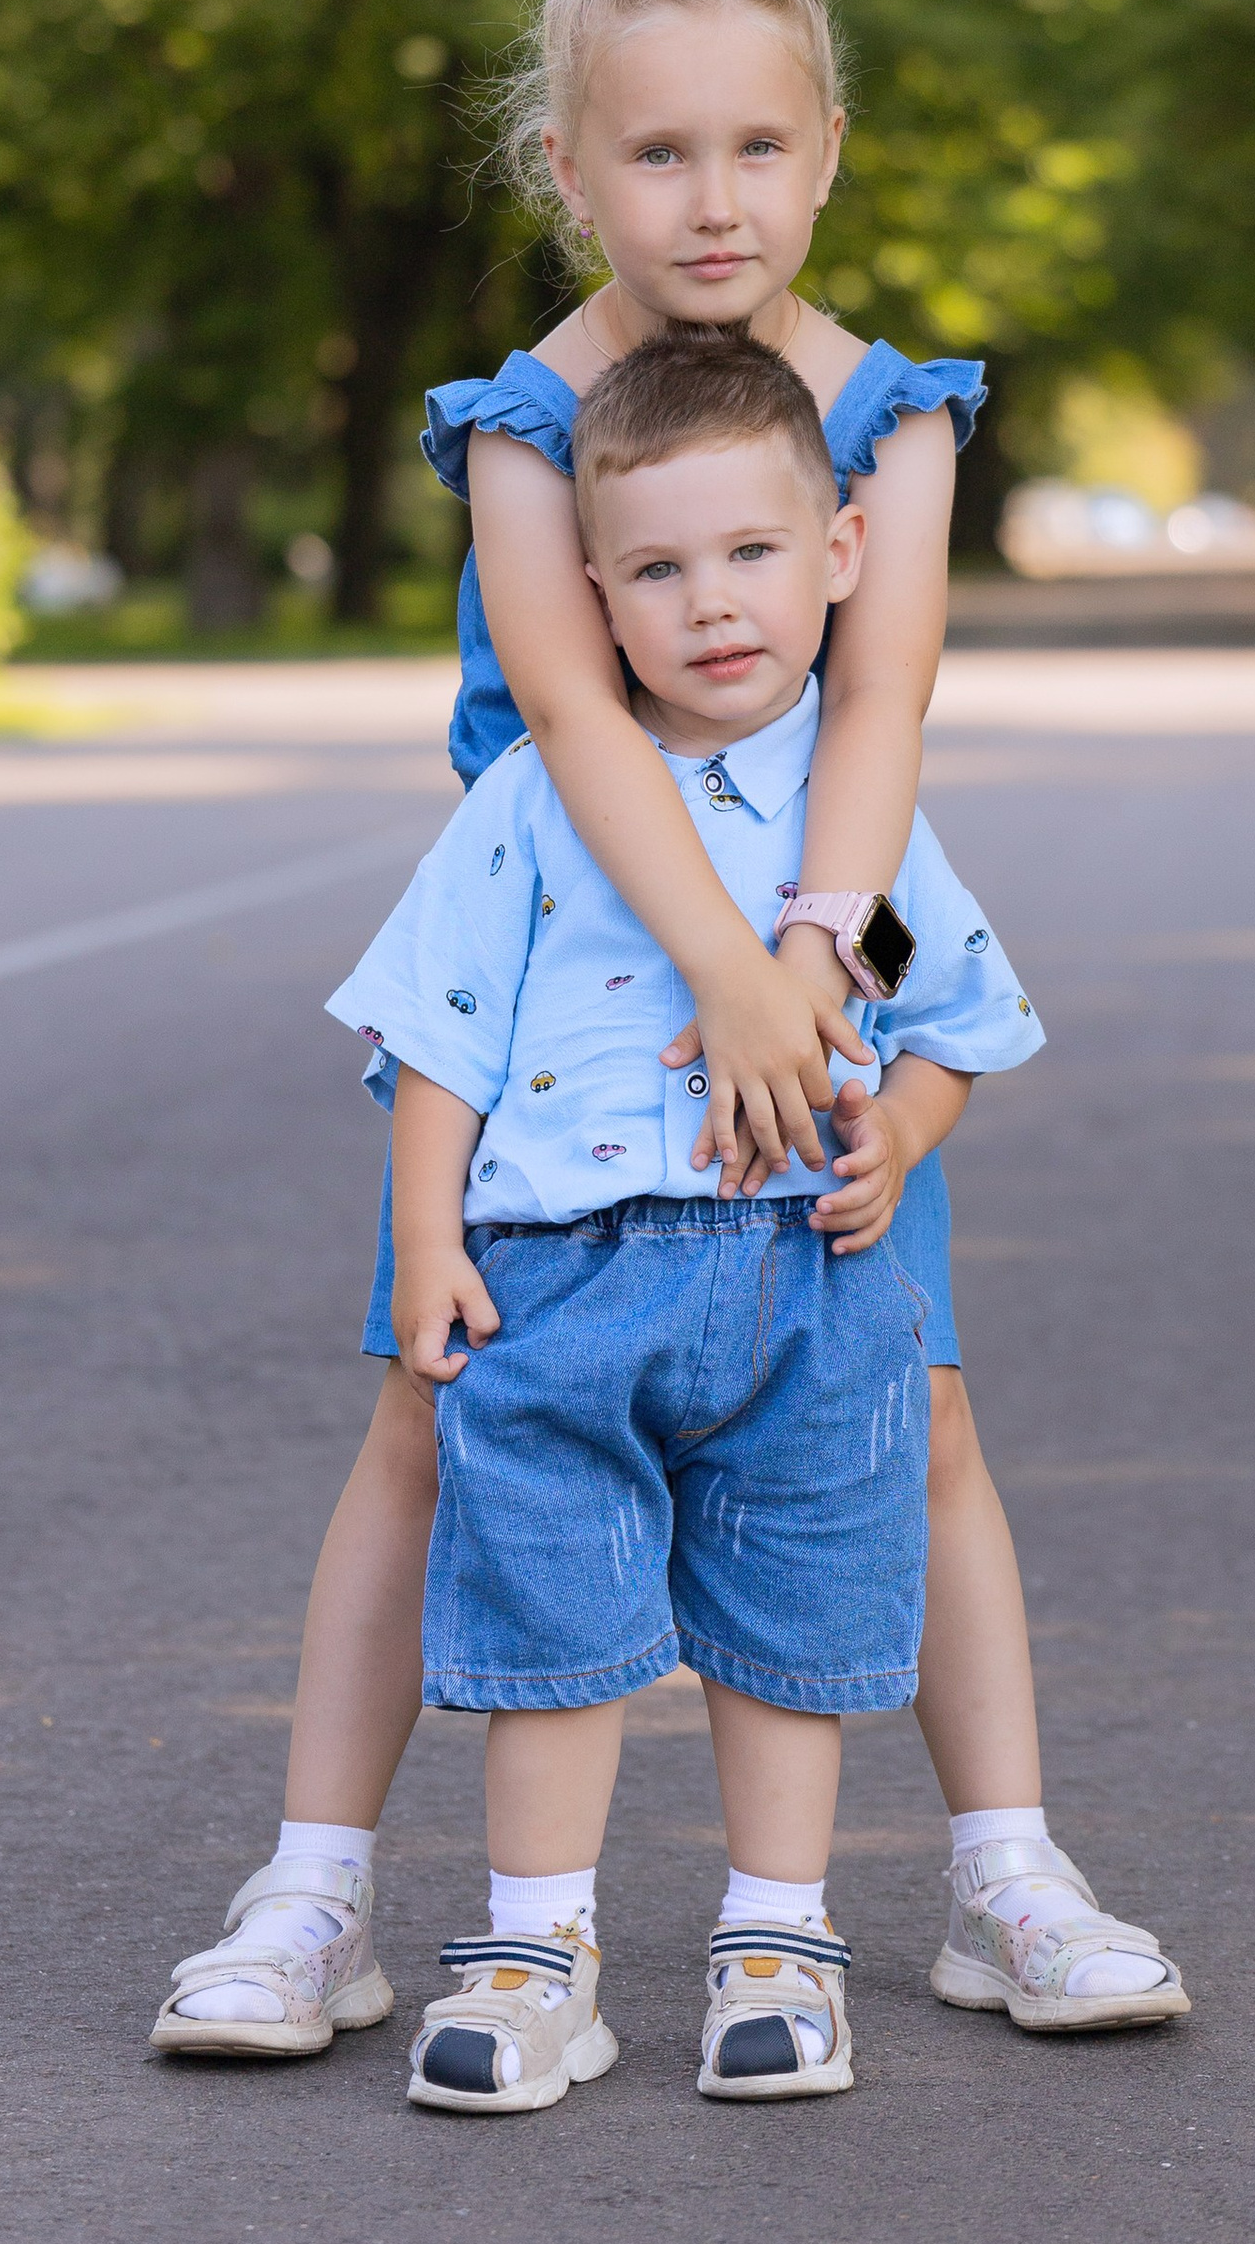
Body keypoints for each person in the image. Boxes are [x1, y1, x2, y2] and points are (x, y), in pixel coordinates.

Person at [150, 0, 1186, 2062]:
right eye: (654, 155)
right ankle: (312, 1892)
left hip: (816, 942)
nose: (708, 200)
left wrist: (810, 969)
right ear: (566, 165)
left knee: (912, 1415)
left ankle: (1003, 1868)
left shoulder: (887, 418)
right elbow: (571, 714)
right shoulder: (526, 424)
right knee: (436, 1421)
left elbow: (881, 702)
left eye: (754, 148)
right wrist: (712, 967)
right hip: (561, 984)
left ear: (824, 153)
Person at [328, 333, 1056, 2107]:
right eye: (657, 570)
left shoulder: (854, 848)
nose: (710, 605)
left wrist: (898, 1132)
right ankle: (535, 1943)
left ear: (837, 559)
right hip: (561, 1276)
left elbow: (937, 1013)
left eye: (748, 556)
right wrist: (429, 1238)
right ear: (591, 599)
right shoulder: (539, 808)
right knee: (546, 1605)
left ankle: (778, 1934)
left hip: (807, 1274)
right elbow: (441, 1036)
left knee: (791, 1613)